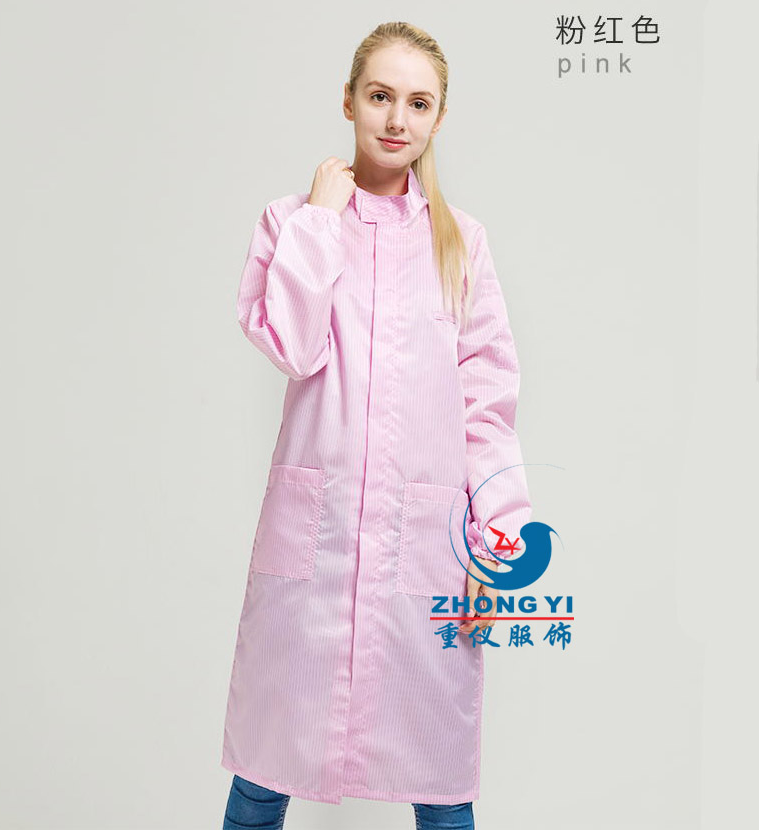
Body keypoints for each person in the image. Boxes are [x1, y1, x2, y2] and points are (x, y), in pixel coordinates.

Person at [221, 20, 532, 830]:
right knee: (264, 773)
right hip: (313, 551)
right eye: (381, 96)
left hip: (425, 547)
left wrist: (498, 545)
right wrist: (321, 223)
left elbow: (489, 405)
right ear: (349, 100)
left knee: (442, 785)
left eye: (418, 103)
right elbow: (292, 346)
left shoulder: (462, 243)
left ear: (439, 117)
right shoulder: (290, 220)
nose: (397, 119)